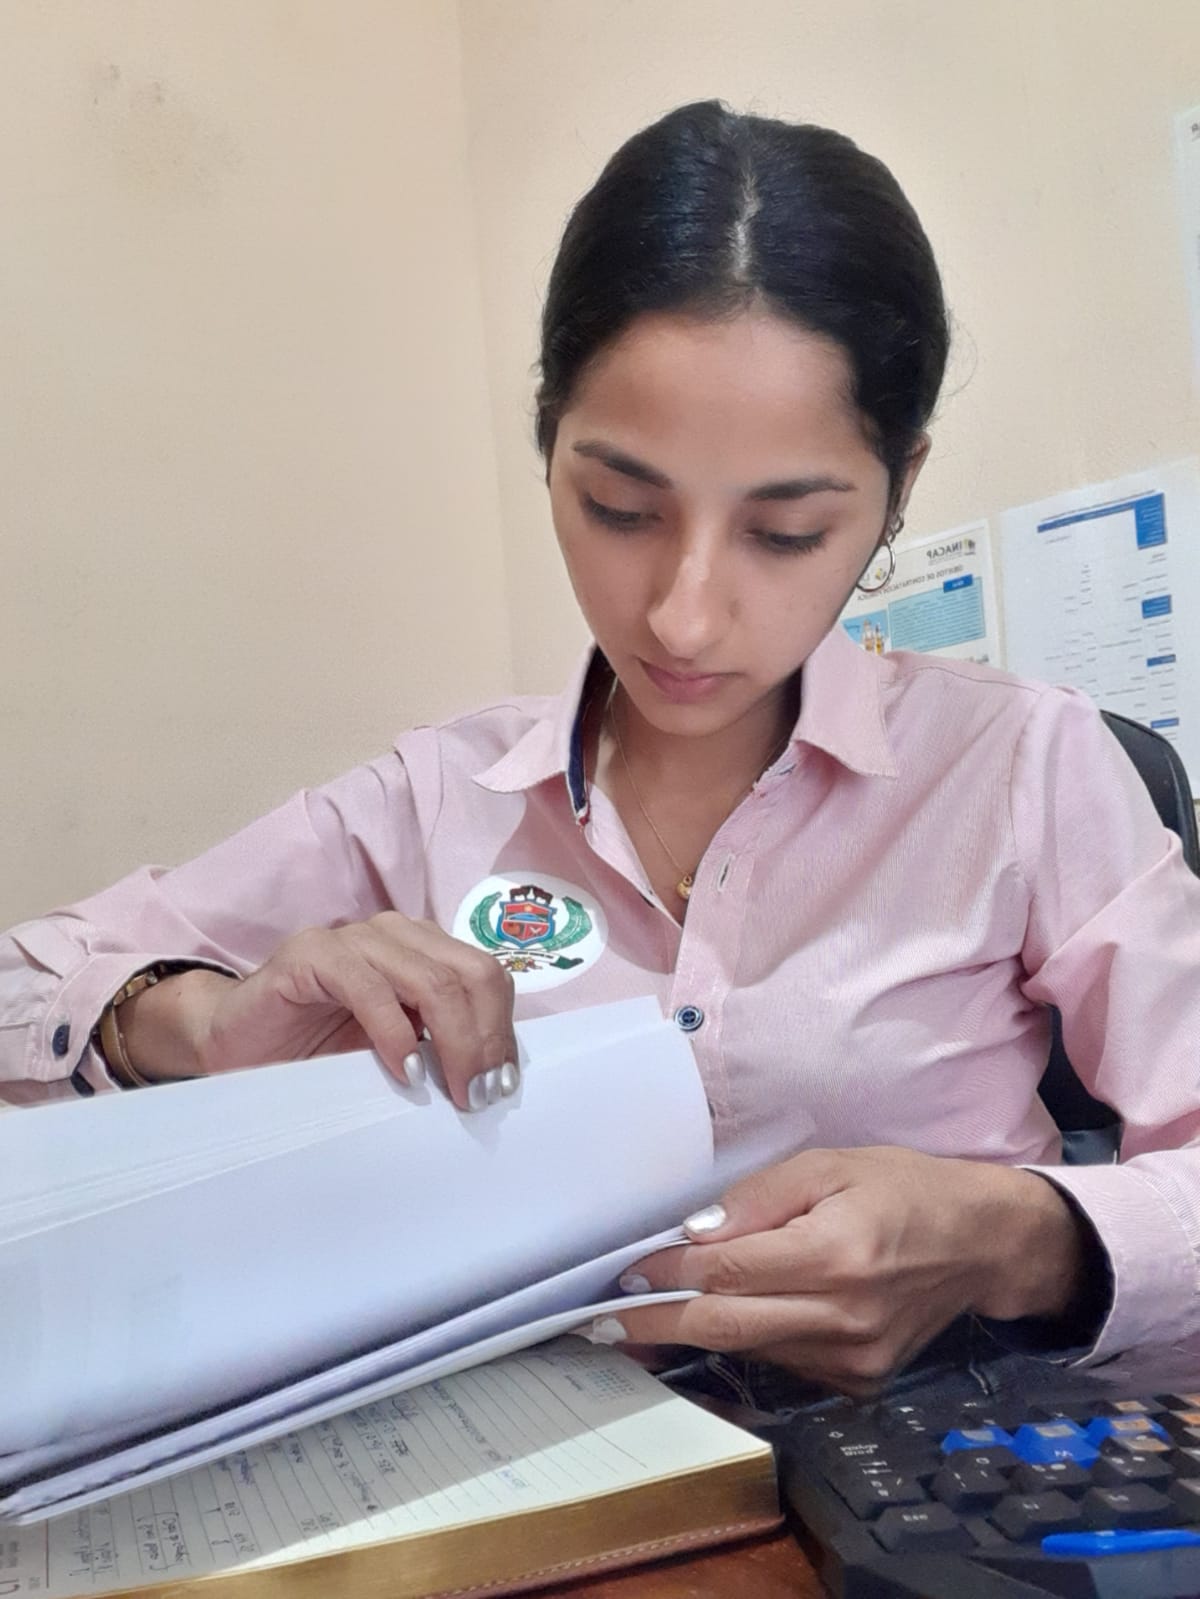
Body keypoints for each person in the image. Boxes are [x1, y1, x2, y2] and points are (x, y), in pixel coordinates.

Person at [3, 101, 1198, 1402]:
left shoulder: (1022, 767)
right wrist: (195, 1020)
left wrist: (1022, 1240)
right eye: (620, 507)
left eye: (786, 532)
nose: (683, 617)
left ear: (899, 486)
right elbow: (24, 984)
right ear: (548, 443)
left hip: (937, 1466)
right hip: (522, 1460)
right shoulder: (437, 801)